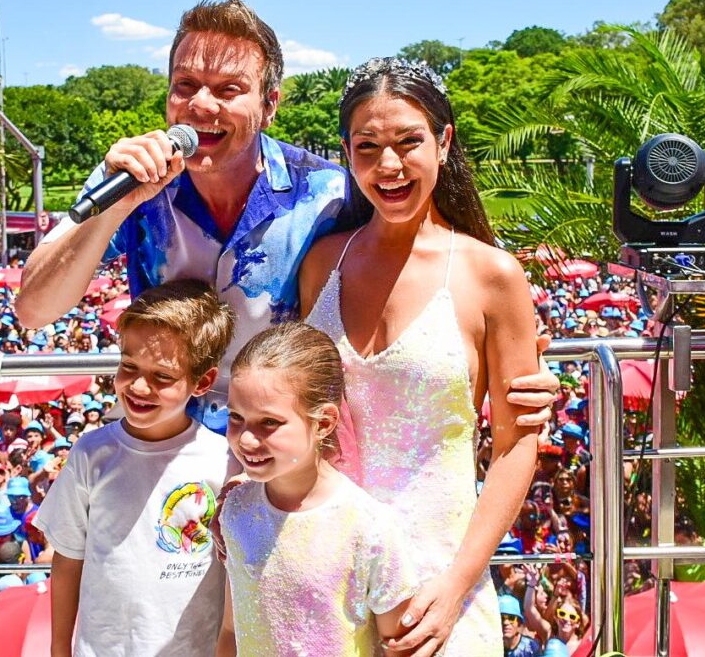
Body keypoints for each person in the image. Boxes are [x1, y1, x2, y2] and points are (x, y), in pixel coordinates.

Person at [15, 0, 558, 430]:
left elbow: (411, 266)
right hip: (160, 443)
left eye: (229, 89)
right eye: (186, 86)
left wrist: (505, 359)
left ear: (270, 104)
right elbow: (34, 310)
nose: (201, 105)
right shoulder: (129, 177)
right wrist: (117, 206)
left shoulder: (328, 193)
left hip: (278, 458)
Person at [300, 56, 540, 655]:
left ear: (444, 142)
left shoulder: (492, 275)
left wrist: (456, 585)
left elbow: (516, 446)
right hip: (323, 573)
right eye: (367, 146)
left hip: (439, 583)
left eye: (409, 141)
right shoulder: (322, 262)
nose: (389, 165)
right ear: (347, 153)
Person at [34, 280, 236, 657]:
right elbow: (68, 557)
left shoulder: (223, 461)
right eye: (129, 366)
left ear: (203, 381)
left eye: (162, 376)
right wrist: (59, 646)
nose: (139, 387)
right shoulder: (91, 454)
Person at [216, 322, 418, 655]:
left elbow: (402, 647)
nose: (247, 439)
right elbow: (231, 629)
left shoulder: (367, 527)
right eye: (236, 417)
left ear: (323, 422)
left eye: (269, 422)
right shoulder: (236, 511)